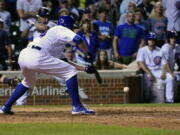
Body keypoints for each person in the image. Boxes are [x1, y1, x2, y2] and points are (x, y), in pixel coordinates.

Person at [0, 21, 96, 115]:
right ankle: (77, 107)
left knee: (28, 82)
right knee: (70, 72)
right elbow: (78, 39)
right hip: (36, 56)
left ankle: (5, 107)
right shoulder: (61, 28)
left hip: (24, 55)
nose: (73, 30)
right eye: (72, 27)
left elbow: (65, 62)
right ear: (68, 25)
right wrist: (87, 53)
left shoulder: (54, 39)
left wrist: (85, 68)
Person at [136, 32, 175, 103]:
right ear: (147, 40)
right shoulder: (142, 50)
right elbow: (141, 63)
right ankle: (146, 99)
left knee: (170, 78)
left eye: (153, 39)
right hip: (148, 71)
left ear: (155, 40)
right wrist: (149, 73)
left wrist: (163, 73)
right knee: (147, 85)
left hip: (158, 71)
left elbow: (164, 63)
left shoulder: (160, 50)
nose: (151, 41)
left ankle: (169, 100)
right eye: (150, 39)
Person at [161, 31, 180, 102]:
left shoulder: (177, 47)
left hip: (172, 70)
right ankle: (169, 100)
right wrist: (172, 73)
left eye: (175, 38)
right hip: (162, 71)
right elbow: (165, 63)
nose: (173, 39)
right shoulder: (165, 47)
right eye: (171, 38)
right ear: (168, 39)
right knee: (171, 78)